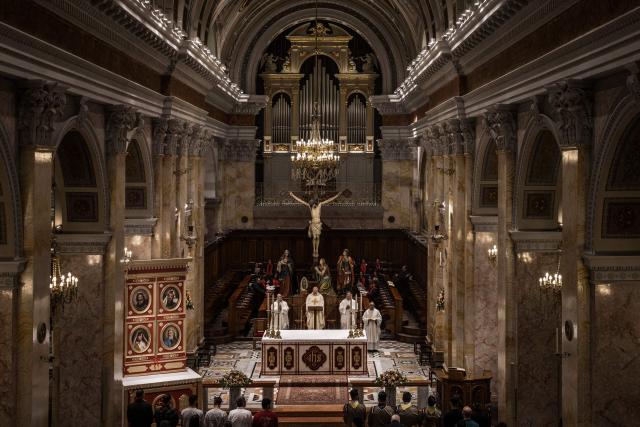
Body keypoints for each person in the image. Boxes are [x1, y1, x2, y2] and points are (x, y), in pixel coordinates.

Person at [289, 191, 343, 259]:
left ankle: (317, 250)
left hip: (318, 224)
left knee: (317, 237)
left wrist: (337, 195)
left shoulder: (320, 205)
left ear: (316, 202)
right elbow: (301, 201)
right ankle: (314, 249)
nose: (314, 205)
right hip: (313, 224)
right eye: (313, 204)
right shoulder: (310, 207)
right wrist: (292, 195)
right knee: (314, 237)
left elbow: (328, 200)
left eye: (314, 203)